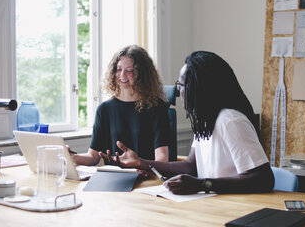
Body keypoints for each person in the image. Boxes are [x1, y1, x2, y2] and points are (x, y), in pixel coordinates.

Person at [99, 51, 274, 195]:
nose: (178, 90)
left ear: (199, 88)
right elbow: (190, 166)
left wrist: (202, 184)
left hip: (235, 209)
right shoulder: (206, 120)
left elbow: (263, 179)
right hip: (212, 205)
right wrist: (140, 162)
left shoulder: (230, 121)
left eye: (182, 85)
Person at [71, 45, 171, 166]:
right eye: (118, 69)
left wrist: (139, 163)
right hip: (113, 179)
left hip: (146, 178)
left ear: (142, 74)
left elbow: (162, 158)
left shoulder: (156, 107)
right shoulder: (104, 110)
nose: (122, 75)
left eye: (129, 70)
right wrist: (72, 157)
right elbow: (93, 156)